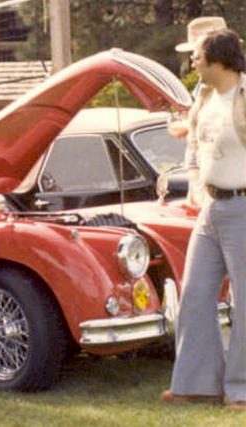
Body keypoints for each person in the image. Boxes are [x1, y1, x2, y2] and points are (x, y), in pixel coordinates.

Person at [161, 28, 246, 410]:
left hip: (242, 207)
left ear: (216, 60)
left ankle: (241, 390)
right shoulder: (205, 95)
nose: (192, 61)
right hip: (210, 210)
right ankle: (198, 384)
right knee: (194, 295)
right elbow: (196, 141)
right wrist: (194, 176)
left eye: (197, 56)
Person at [169, 16, 227, 206]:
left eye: (197, 54)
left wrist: (182, 125)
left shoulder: (227, 84)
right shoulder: (204, 85)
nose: (193, 61)